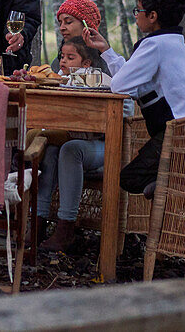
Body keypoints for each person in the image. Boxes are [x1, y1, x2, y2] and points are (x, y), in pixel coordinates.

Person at [82, 0, 185, 199]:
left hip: (183, 132)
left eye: (137, 10)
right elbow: (134, 83)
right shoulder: (173, 42)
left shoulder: (154, 45)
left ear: (152, 16)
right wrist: (106, 50)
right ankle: (171, 183)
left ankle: (173, 187)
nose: (135, 15)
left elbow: (119, 86)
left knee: (131, 179)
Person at [36, 36, 125, 252]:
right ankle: (37, 222)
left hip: (108, 145)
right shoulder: (60, 83)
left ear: (86, 64)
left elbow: (123, 113)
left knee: (70, 149)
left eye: (70, 57)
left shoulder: (101, 79)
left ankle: (66, 228)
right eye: (62, 57)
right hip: (78, 142)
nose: (63, 61)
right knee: (49, 149)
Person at [50, 0, 109, 74]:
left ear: (87, 26)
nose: (61, 28)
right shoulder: (58, 63)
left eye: (68, 22)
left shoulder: (109, 62)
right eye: (60, 23)